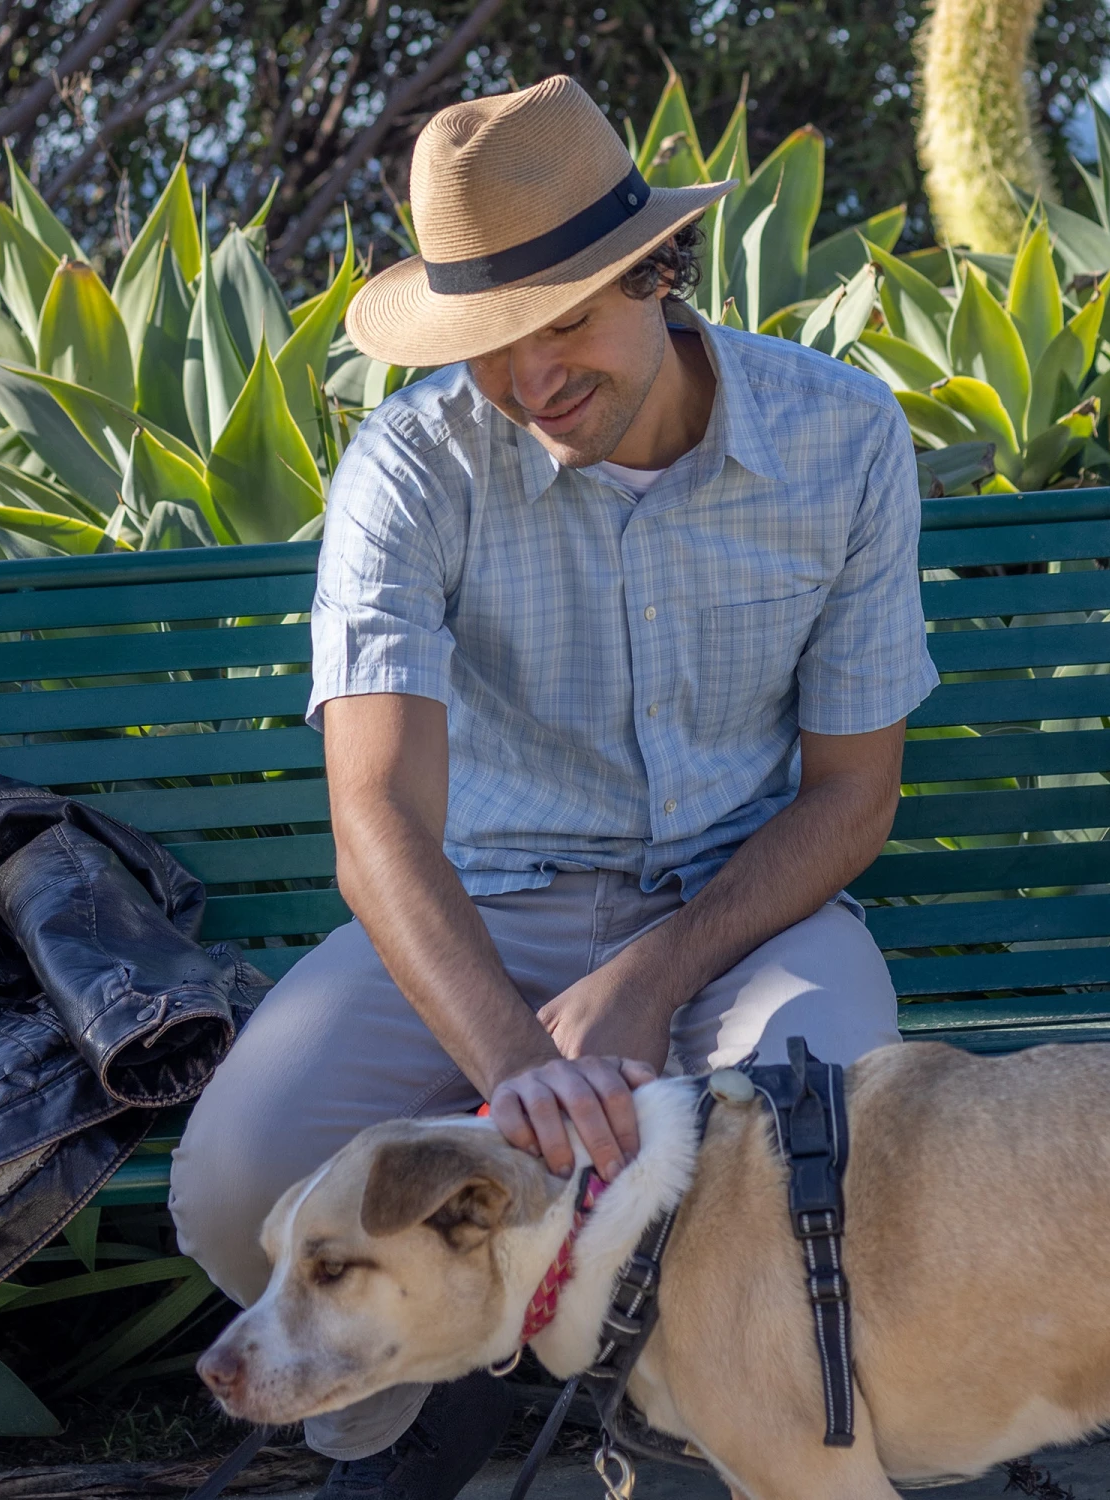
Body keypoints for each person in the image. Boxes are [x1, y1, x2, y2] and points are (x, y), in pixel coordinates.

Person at [170, 73, 937, 1500]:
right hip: (485, 904)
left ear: (655, 271)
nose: (529, 379)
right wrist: (517, 1059)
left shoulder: (840, 440)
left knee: (820, 1153)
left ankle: (678, 1410)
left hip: (743, 910)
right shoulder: (409, 469)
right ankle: (420, 1390)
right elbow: (378, 817)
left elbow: (850, 798)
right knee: (236, 1187)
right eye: (489, 345)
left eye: (565, 320)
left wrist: (649, 980)